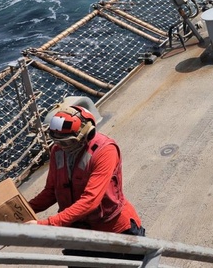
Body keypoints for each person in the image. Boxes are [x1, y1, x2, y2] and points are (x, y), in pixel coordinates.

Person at [27, 104, 145, 262]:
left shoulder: (105, 151)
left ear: (86, 134)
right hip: (79, 235)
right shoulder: (58, 150)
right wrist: (21, 211)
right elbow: (51, 191)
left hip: (115, 233)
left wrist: (47, 225)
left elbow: (90, 200)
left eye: (67, 143)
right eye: (57, 142)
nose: (62, 147)